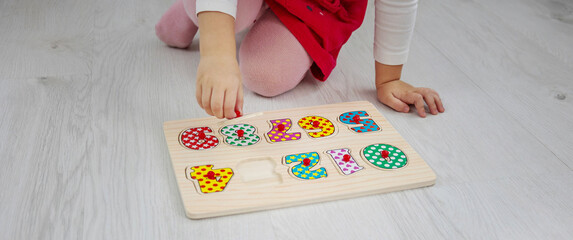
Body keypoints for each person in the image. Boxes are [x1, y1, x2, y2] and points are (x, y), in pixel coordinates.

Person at [156, 0, 445, 119]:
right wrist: (217, 55)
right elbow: (217, 55)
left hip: (311, 6)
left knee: (265, 75)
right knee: (214, 14)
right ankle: (199, 12)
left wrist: (389, 78)